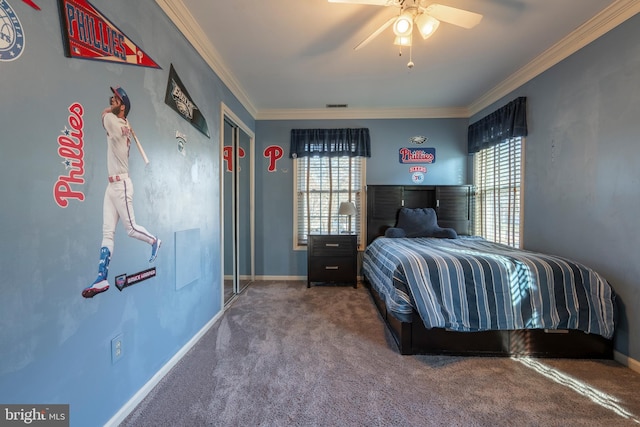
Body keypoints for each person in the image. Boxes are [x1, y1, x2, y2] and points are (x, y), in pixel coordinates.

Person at [82, 86, 161, 298]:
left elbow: (103, 114)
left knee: (131, 228)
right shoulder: (122, 123)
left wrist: (113, 113)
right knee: (107, 232)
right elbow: (113, 115)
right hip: (111, 186)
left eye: (115, 100)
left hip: (122, 185)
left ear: (122, 107)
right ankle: (101, 278)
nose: (111, 100)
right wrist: (122, 116)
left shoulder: (113, 121)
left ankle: (154, 241)